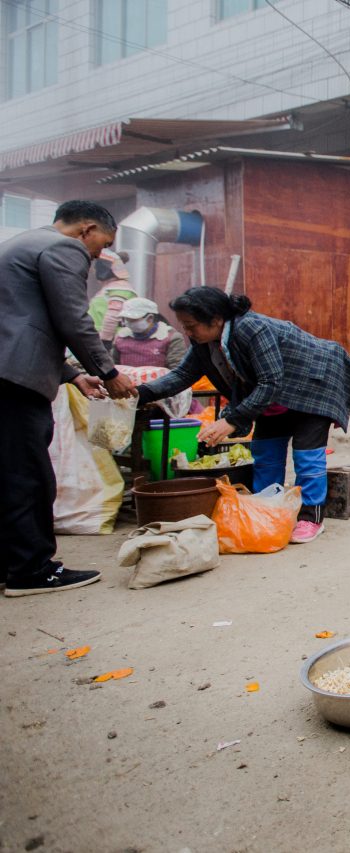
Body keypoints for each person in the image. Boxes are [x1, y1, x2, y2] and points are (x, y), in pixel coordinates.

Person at [136, 287, 350, 544]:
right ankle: (269, 509)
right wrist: (139, 393)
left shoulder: (251, 328)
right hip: (273, 396)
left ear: (215, 320)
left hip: (314, 384)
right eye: (184, 326)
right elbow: (182, 376)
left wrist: (231, 420)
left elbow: (270, 381)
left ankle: (311, 517)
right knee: (265, 452)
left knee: (307, 455)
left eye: (190, 325)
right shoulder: (204, 343)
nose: (187, 332)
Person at [1, 200, 136, 597]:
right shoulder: (64, 248)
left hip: (8, 372)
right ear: (86, 229)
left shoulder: (21, 243)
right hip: (16, 381)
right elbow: (73, 318)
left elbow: (22, 323)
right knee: (28, 475)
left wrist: (74, 375)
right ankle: (32, 570)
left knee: (7, 472)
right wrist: (109, 373)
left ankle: (10, 564)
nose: (98, 255)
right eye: (101, 244)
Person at [111, 297, 189, 369]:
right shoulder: (121, 336)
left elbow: (177, 368)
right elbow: (113, 364)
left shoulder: (171, 337)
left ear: (150, 318)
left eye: (133, 319)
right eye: (126, 319)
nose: (128, 323)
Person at [87, 248, 137, 343]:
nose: (93, 270)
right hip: (100, 337)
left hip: (110, 341)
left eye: (96, 267)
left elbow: (113, 316)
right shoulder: (112, 288)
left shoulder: (120, 289)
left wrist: (104, 339)